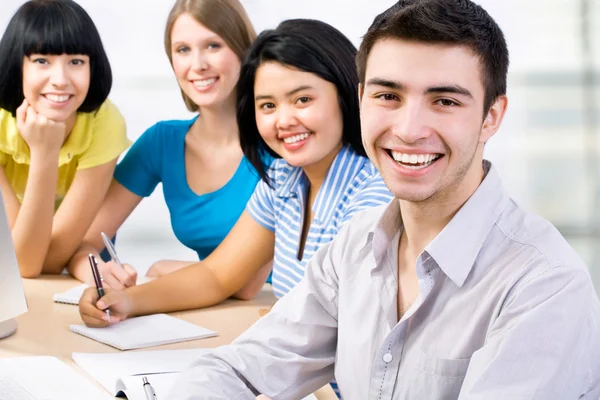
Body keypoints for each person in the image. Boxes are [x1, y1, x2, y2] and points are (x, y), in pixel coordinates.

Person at [166, 1, 600, 399]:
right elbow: (240, 369)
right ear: (361, 100)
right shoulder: (355, 247)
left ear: (492, 116)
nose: (409, 129)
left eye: (444, 100)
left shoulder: (544, 285)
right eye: (388, 96)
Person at [78, 18, 393, 323]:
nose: (283, 120)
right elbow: (218, 274)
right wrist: (128, 301)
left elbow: (344, 322)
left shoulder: (373, 193)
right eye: (268, 106)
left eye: (302, 99)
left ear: (349, 94)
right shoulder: (283, 179)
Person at [67, 0, 268, 290]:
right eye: (183, 50)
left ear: (243, 50)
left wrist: (163, 268)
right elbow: (84, 240)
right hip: (212, 311)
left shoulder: (278, 142)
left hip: (277, 309)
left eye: (213, 45)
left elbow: (248, 284)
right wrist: (98, 271)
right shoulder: (162, 142)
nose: (198, 65)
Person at [0, 0, 130, 278]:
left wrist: (44, 152)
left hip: (77, 263)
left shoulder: (104, 123)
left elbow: (47, 263)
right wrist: (44, 151)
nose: (60, 79)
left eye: (76, 61)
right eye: (42, 61)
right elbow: (20, 264)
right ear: (17, 65)